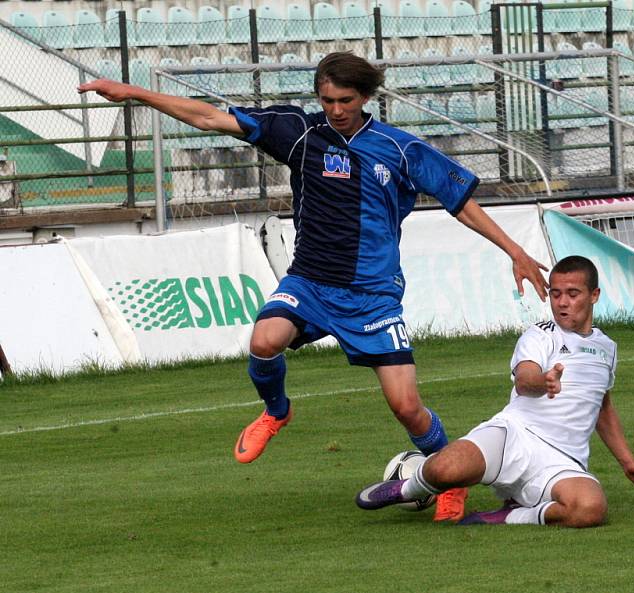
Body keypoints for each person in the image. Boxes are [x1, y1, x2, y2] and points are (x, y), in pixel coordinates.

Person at [78, 52, 549, 522]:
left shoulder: (399, 148)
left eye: (345, 100)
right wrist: (134, 93)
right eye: (327, 100)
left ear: (365, 98)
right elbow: (207, 117)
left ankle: (449, 478)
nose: (336, 110)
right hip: (311, 283)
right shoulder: (300, 132)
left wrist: (516, 251)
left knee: (407, 408)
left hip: (373, 297)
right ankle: (276, 412)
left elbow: (460, 201)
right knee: (264, 340)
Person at [356, 255, 634, 526]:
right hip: (513, 435)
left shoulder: (607, 348)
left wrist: (627, 461)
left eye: (572, 293)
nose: (561, 302)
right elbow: (524, 380)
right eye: (556, 294)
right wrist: (544, 381)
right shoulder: (540, 335)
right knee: (446, 468)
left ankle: (509, 515)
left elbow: (602, 407)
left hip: (563, 460)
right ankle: (407, 488)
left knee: (591, 509)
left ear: (594, 295)